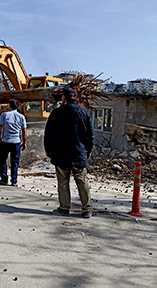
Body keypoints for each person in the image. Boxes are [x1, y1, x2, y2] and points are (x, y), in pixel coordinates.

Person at [44, 87, 95, 218]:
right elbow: (90, 134)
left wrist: (48, 150)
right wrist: (88, 150)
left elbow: (49, 133)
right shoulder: (84, 113)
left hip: (60, 154)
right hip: (79, 153)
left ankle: (64, 207)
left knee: (62, 181)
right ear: (75, 98)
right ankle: (87, 209)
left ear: (64, 98)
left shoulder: (56, 113)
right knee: (82, 181)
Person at [0, 99, 27, 186]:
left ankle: (4, 179)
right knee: (15, 162)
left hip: (5, 141)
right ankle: (14, 181)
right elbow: (24, 131)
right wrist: (24, 142)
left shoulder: (4, 115)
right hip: (16, 142)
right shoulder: (21, 117)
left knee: (3, 161)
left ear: (9, 106)